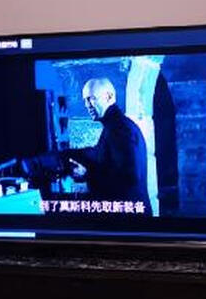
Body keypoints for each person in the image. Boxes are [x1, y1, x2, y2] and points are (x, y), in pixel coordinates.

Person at [64, 78, 153, 216]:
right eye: (85, 100)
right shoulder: (115, 127)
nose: (87, 105)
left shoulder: (120, 129)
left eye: (91, 99)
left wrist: (87, 174)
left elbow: (128, 178)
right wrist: (69, 154)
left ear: (109, 97)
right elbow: (102, 155)